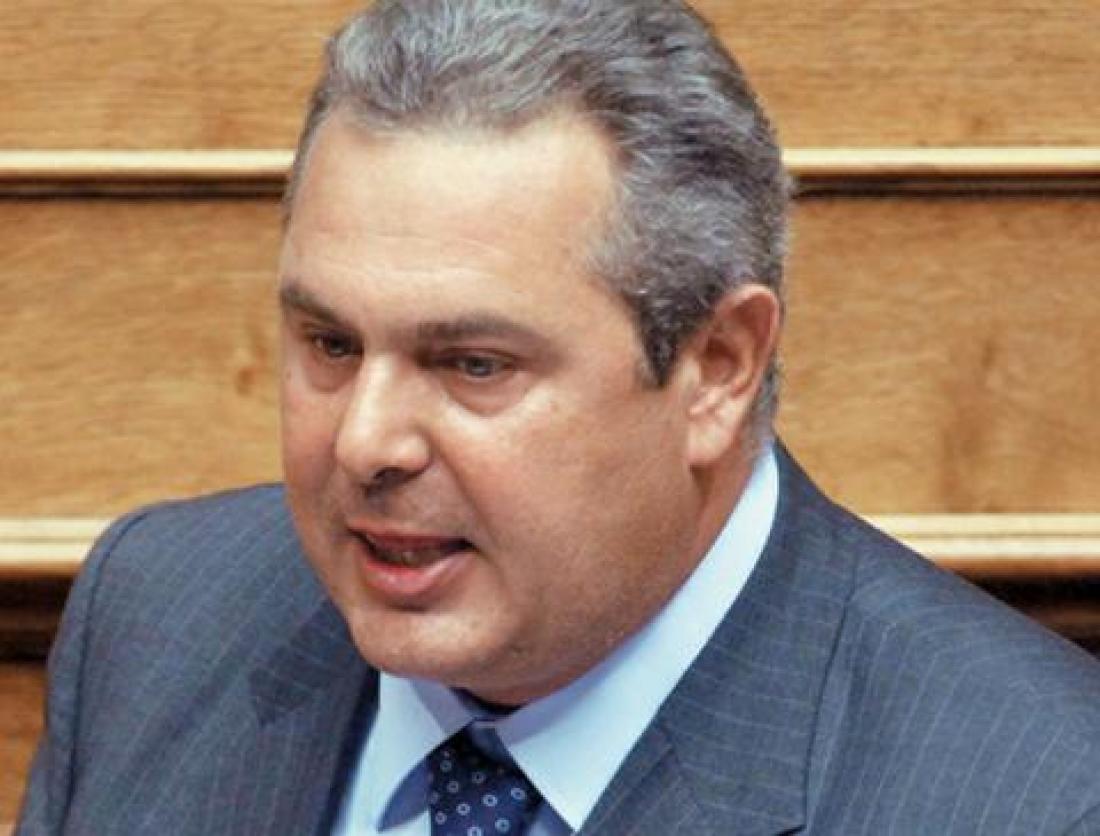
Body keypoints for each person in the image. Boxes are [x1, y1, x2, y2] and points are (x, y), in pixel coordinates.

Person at [17, 1, 1100, 834]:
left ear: (716, 369)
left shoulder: (1036, 791)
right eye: (331, 345)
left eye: (472, 364)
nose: (365, 442)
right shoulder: (159, 613)